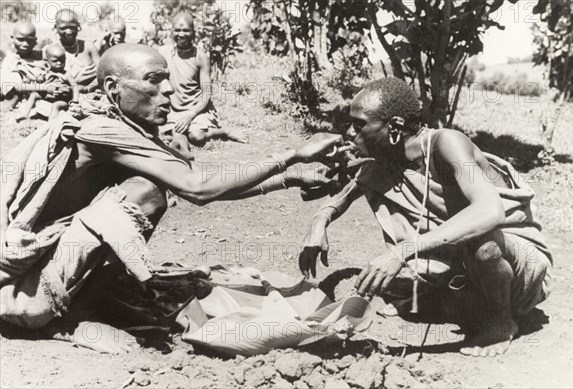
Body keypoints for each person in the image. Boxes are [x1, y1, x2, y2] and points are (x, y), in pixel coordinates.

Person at [0, 44, 342, 353]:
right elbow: (197, 188)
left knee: (146, 188)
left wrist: (286, 178)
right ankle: (73, 318)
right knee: (145, 193)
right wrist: (291, 155)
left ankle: (98, 297)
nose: (167, 90)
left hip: (46, 269)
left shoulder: (122, 125)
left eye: (167, 79)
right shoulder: (102, 130)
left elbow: (200, 184)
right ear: (112, 88)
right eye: (153, 80)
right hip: (25, 294)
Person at [299, 77, 552, 358]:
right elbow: (341, 199)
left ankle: (501, 320)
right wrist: (319, 222)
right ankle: (452, 300)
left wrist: (402, 251)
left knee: (481, 240)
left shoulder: (448, 144)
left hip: (519, 268)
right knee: (401, 294)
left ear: (394, 128)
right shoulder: (388, 159)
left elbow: (489, 211)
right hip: (469, 270)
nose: (349, 132)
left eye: (359, 125)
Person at [157, 12, 247, 160]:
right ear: (172, 31)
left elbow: (206, 94)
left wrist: (190, 115)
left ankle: (223, 131)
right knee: (174, 132)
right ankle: (182, 150)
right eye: (177, 30)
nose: (181, 34)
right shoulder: (163, 52)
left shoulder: (200, 57)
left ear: (193, 32)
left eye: (186, 30)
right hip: (173, 109)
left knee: (197, 137)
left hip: (197, 109)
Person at [0, 22, 67, 112]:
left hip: (49, 95)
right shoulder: (10, 61)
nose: (25, 44)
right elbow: (16, 86)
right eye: (20, 39)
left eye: (30, 40)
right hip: (25, 98)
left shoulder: (42, 55)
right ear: (12, 38)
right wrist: (45, 87)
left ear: (35, 40)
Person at [16, 44, 79, 122]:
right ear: (47, 61)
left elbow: (74, 86)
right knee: (34, 94)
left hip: (62, 99)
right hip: (48, 96)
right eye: (55, 61)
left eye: (62, 60)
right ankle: (25, 114)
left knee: (56, 105)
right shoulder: (46, 72)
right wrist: (40, 79)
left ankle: (51, 123)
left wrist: (75, 100)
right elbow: (41, 83)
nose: (59, 63)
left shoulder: (66, 74)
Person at [52, 9, 100, 93]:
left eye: (72, 27)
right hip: (61, 97)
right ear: (56, 28)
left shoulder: (89, 47)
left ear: (78, 26)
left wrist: (89, 88)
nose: (69, 32)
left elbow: (103, 73)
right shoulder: (50, 50)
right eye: (63, 28)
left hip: (90, 95)